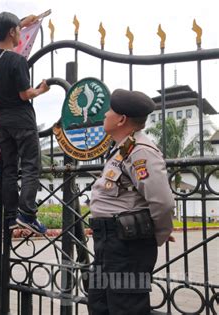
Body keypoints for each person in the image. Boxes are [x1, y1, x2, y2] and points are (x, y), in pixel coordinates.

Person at [88, 89, 175, 314]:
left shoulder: (140, 151)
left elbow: (162, 202)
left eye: (110, 111)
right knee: (100, 304)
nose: (105, 114)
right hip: (108, 241)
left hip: (126, 244)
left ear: (121, 120)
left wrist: (156, 234)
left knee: (125, 307)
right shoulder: (123, 149)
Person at [0, 12, 50, 234]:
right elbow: (24, 94)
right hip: (22, 121)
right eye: (18, 30)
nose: (20, 33)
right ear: (12, 32)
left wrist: (20, 23)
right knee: (31, 165)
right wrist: (41, 90)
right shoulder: (17, 60)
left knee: (9, 168)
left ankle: (11, 216)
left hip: (2, 123)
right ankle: (27, 214)